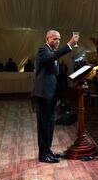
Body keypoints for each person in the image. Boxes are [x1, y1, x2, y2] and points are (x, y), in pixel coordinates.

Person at [32, 30, 78, 163]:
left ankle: (48, 151)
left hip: (51, 94)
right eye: (54, 39)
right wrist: (69, 45)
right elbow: (51, 58)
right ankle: (43, 155)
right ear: (47, 39)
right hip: (43, 94)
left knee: (50, 123)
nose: (57, 41)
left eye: (59, 39)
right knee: (43, 125)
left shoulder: (52, 53)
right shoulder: (43, 50)